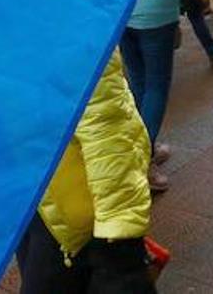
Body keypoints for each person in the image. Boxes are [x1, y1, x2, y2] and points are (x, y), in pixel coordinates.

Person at [15, 49, 156, 293]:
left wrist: (119, 246)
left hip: (72, 217)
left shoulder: (66, 20)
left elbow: (108, 129)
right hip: (27, 195)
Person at [121, 0, 211, 192]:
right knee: (156, 86)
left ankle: (143, 143)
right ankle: (143, 158)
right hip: (155, 12)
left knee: (137, 83)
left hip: (122, 11)